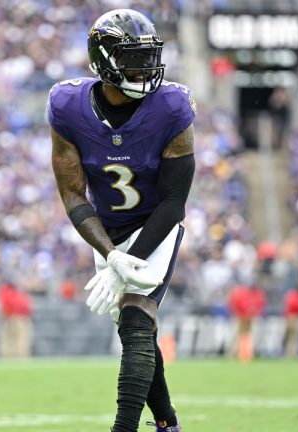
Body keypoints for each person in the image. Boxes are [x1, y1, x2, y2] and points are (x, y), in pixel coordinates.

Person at [48, 9, 195, 432]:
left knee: (135, 316)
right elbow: (73, 193)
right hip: (108, 228)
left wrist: (132, 258)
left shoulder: (172, 107)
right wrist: (110, 255)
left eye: (149, 57)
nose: (146, 68)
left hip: (157, 223)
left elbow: (174, 202)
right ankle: (167, 423)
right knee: (138, 330)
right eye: (134, 58)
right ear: (103, 60)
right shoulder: (67, 106)